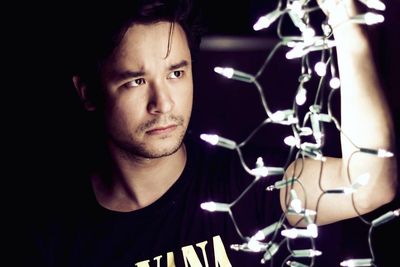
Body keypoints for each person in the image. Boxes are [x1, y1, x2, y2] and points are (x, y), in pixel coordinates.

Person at [25, 0, 397, 266]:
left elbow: (369, 184)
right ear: (88, 92)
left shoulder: (248, 183)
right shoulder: (53, 235)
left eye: (176, 73)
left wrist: (348, 26)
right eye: (136, 81)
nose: (164, 103)